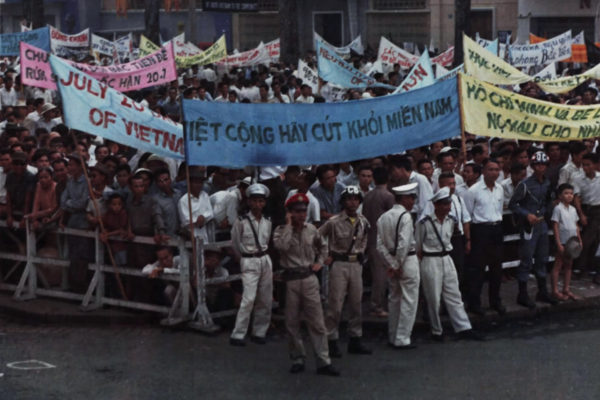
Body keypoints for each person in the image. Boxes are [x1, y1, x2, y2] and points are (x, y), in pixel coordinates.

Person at [272, 193, 340, 376]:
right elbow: (282, 247)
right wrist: (288, 225)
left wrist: (319, 261)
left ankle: (323, 361)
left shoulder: (311, 230)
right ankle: (297, 358)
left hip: (309, 277)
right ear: (290, 212)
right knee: (292, 323)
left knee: (317, 322)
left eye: (304, 211)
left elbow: (323, 247)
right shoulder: (281, 230)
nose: (301, 214)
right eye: (297, 211)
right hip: (291, 279)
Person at [416, 187, 483, 341]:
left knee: (454, 294)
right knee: (433, 297)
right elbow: (418, 246)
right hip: (430, 259)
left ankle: (463, 327)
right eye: (444, 204)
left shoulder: (451, 220)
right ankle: (436, 330)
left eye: (449, 204)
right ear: (436, 205)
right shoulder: (424, 223)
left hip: (446, 258)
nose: (448, 207)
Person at [319, 186, 372, 357]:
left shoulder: (363, 221)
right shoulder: (334, 222)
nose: (353, 202)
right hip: (339, 264)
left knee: (356, 304)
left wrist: (361, 253)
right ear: (343, 202)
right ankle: (331, 339)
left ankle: (355, 338)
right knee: (335, 304)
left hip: (355, 264)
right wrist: (325, 255)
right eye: (349, 199)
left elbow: (365, 239)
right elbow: (318, 237)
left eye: (356, 199)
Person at [509, 151, 557, 309]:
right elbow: (513, 204)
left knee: (543, 259)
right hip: (529, 226)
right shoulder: (525, 184)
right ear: (532, 166)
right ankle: (522, 294)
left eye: (543, 165)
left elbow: (549, 201)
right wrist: (526, 214)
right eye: (537, 165)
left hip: (542, 225)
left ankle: (542, 291)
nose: (540, 168)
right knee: (527, 260)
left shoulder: (548, 183)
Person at [376, 182, 420, 349]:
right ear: (405, 199)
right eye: (412, 198)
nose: (413, 201)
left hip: (392, 262)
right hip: (406, 261)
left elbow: (379, 245)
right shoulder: (406, 217)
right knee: (409, 301)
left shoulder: (383, 217)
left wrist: (391, 263)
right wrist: (397, 264)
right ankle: (402, 338)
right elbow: (404, 243)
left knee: (394, 299)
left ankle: (393, 335)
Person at [230, 183, 273, 346]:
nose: (257, 205)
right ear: (248, 202)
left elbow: (267, 240)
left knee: (265, 298)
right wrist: (243, 257)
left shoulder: (267, 221)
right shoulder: (241, 221)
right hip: (249, 259)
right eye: (254, 201)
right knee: (248, 298)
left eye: (261, 201)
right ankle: (238, 333)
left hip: (264, 259)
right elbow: (235, 242)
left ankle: (259, 331)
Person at [463, 158, 506, 316]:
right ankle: (474, 303)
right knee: (478, 269)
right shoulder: (473, 191)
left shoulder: (500, 189)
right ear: (483, 171)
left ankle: (495, 301)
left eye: (496, 169)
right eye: (490, 169)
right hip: (480, 230)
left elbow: (499, 210)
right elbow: (467, 214)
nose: (494, 172)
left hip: (496, 229)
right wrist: (468, 238)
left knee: (496, 269)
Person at [362, 167, 395, 317]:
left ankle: (378, 304)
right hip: (383, 238)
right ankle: (377, 306)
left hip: (370, 237)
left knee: (377, 274)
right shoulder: (388, 196)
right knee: (381, 276)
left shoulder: (368, 196)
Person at [551, 184, 583, 301]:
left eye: (571, 193)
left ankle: (566, 289)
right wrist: (558, 243)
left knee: (569, 266)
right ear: (560, 195)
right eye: (566, 193)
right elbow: (555, 226)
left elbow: (576, 226)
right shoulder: (558, 209)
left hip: (572, 242)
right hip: (563, 241)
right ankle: (555, 290)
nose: (569, 196)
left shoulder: (573, 209)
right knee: (558, 265)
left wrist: (579, 239)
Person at [573, 153, 600, 281]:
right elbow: (577, 197)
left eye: (588, 165)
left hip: (597, 210)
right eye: (583, 165)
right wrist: (581, 214)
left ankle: (587, 267)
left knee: (592, 239)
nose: (585, 168)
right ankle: (581, 267)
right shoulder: (578, 178)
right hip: (585, 209)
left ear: (595, 165)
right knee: (585, 239)